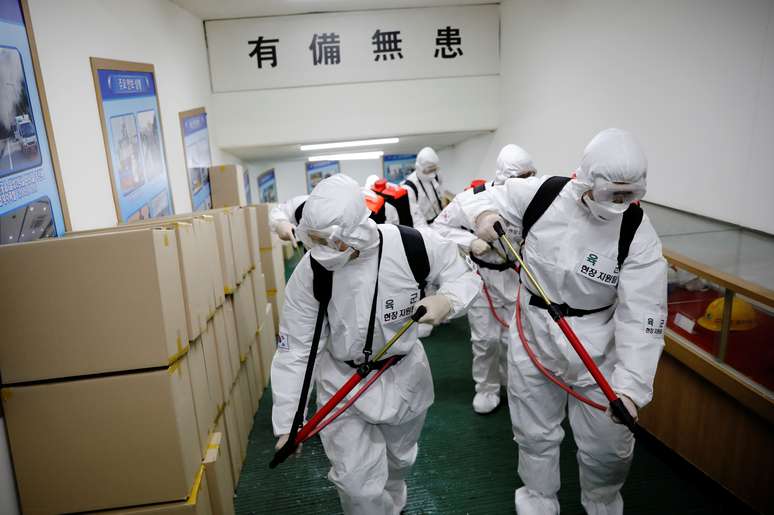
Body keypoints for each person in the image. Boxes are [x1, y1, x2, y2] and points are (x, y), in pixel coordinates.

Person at [460, 129, 667, 515]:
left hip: (599, 351)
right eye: (611, 194)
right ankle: (538, 497)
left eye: (628, 195)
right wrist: (484, 215)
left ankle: (602, 500)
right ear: (585, 181)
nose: (619, 204)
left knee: (608, 447)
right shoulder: (542, 194)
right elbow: (474, 198)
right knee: (533, 433)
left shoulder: (638, 233)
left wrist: (631, 388)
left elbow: (644, 315)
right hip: (534, 335)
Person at [271, 174, 480, 515]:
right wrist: (288, 423)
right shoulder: (311, 273)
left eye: (329, 241)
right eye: (315, 240)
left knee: (399, 463)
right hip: (342, 385)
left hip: (404, 376)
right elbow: (296, 348)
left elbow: (464, 275)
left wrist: (448, 300)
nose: (322, 250)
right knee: (357, 486)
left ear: (355, 230)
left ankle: (393, 501)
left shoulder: (413, 246)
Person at [432, 144, 537, 414]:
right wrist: (470, 242)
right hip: (483, 278)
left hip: (517, 276)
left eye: (529, 176)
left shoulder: (536, 198)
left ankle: (514, 385)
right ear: (503, 177)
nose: (526, 182)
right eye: (520, 177)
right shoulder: (473, 199)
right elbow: (439, 227)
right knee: (485, 340)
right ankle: (487, 388)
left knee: (516, 340)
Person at [402, 147, 444, 228]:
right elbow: (417, 220)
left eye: (434, 169)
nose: (432, 174)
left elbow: (440, 196)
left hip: (440, 221)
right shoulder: (409, 187)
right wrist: (429, 234)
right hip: (426, 226)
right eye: (428, 170)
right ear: (419, 168)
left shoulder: (437, 176)